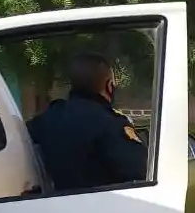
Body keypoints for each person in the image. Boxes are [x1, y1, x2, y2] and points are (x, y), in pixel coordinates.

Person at [27, 51, 147, 191]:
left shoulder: (49, 117)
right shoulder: (111, 124)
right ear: (109, 86)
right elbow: (141, 171)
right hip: (107, 207)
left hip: (58, 207)